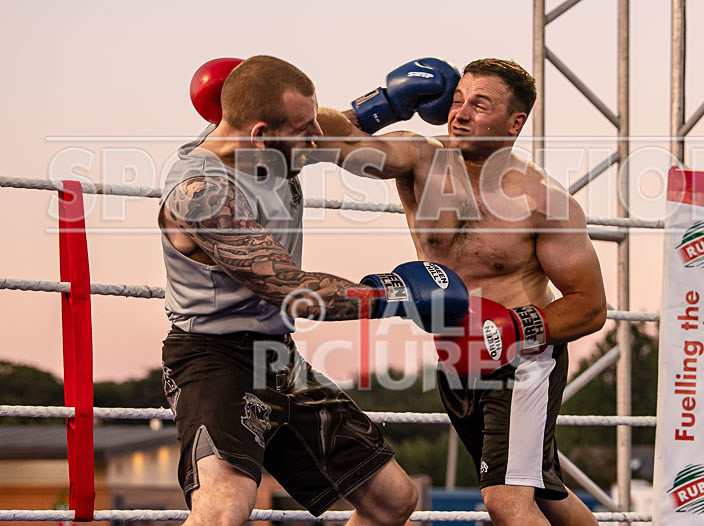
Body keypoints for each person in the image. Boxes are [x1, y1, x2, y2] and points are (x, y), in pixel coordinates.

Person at [159, 55, 470, 526]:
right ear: (261, 135)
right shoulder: (203, 194)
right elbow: (291, 289)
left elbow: (341, 126)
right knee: (222, 512)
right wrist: (394, 294)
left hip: (278, 357)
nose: (315, 140)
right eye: (303, 131)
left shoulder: (277, 138)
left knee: (393, 499)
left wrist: (387, 105)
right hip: (212, 359)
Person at [315, 58, 607, 525]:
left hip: (523, 362)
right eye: (457, 100)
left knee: (506, 500)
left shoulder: (543, 202)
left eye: (480, 105)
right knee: (544, 490)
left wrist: (512, 327)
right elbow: (326, 141)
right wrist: (382, 106)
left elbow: (591, 308)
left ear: (516, 122)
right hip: (455, 358)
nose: (461, 114)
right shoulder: (419, 158)